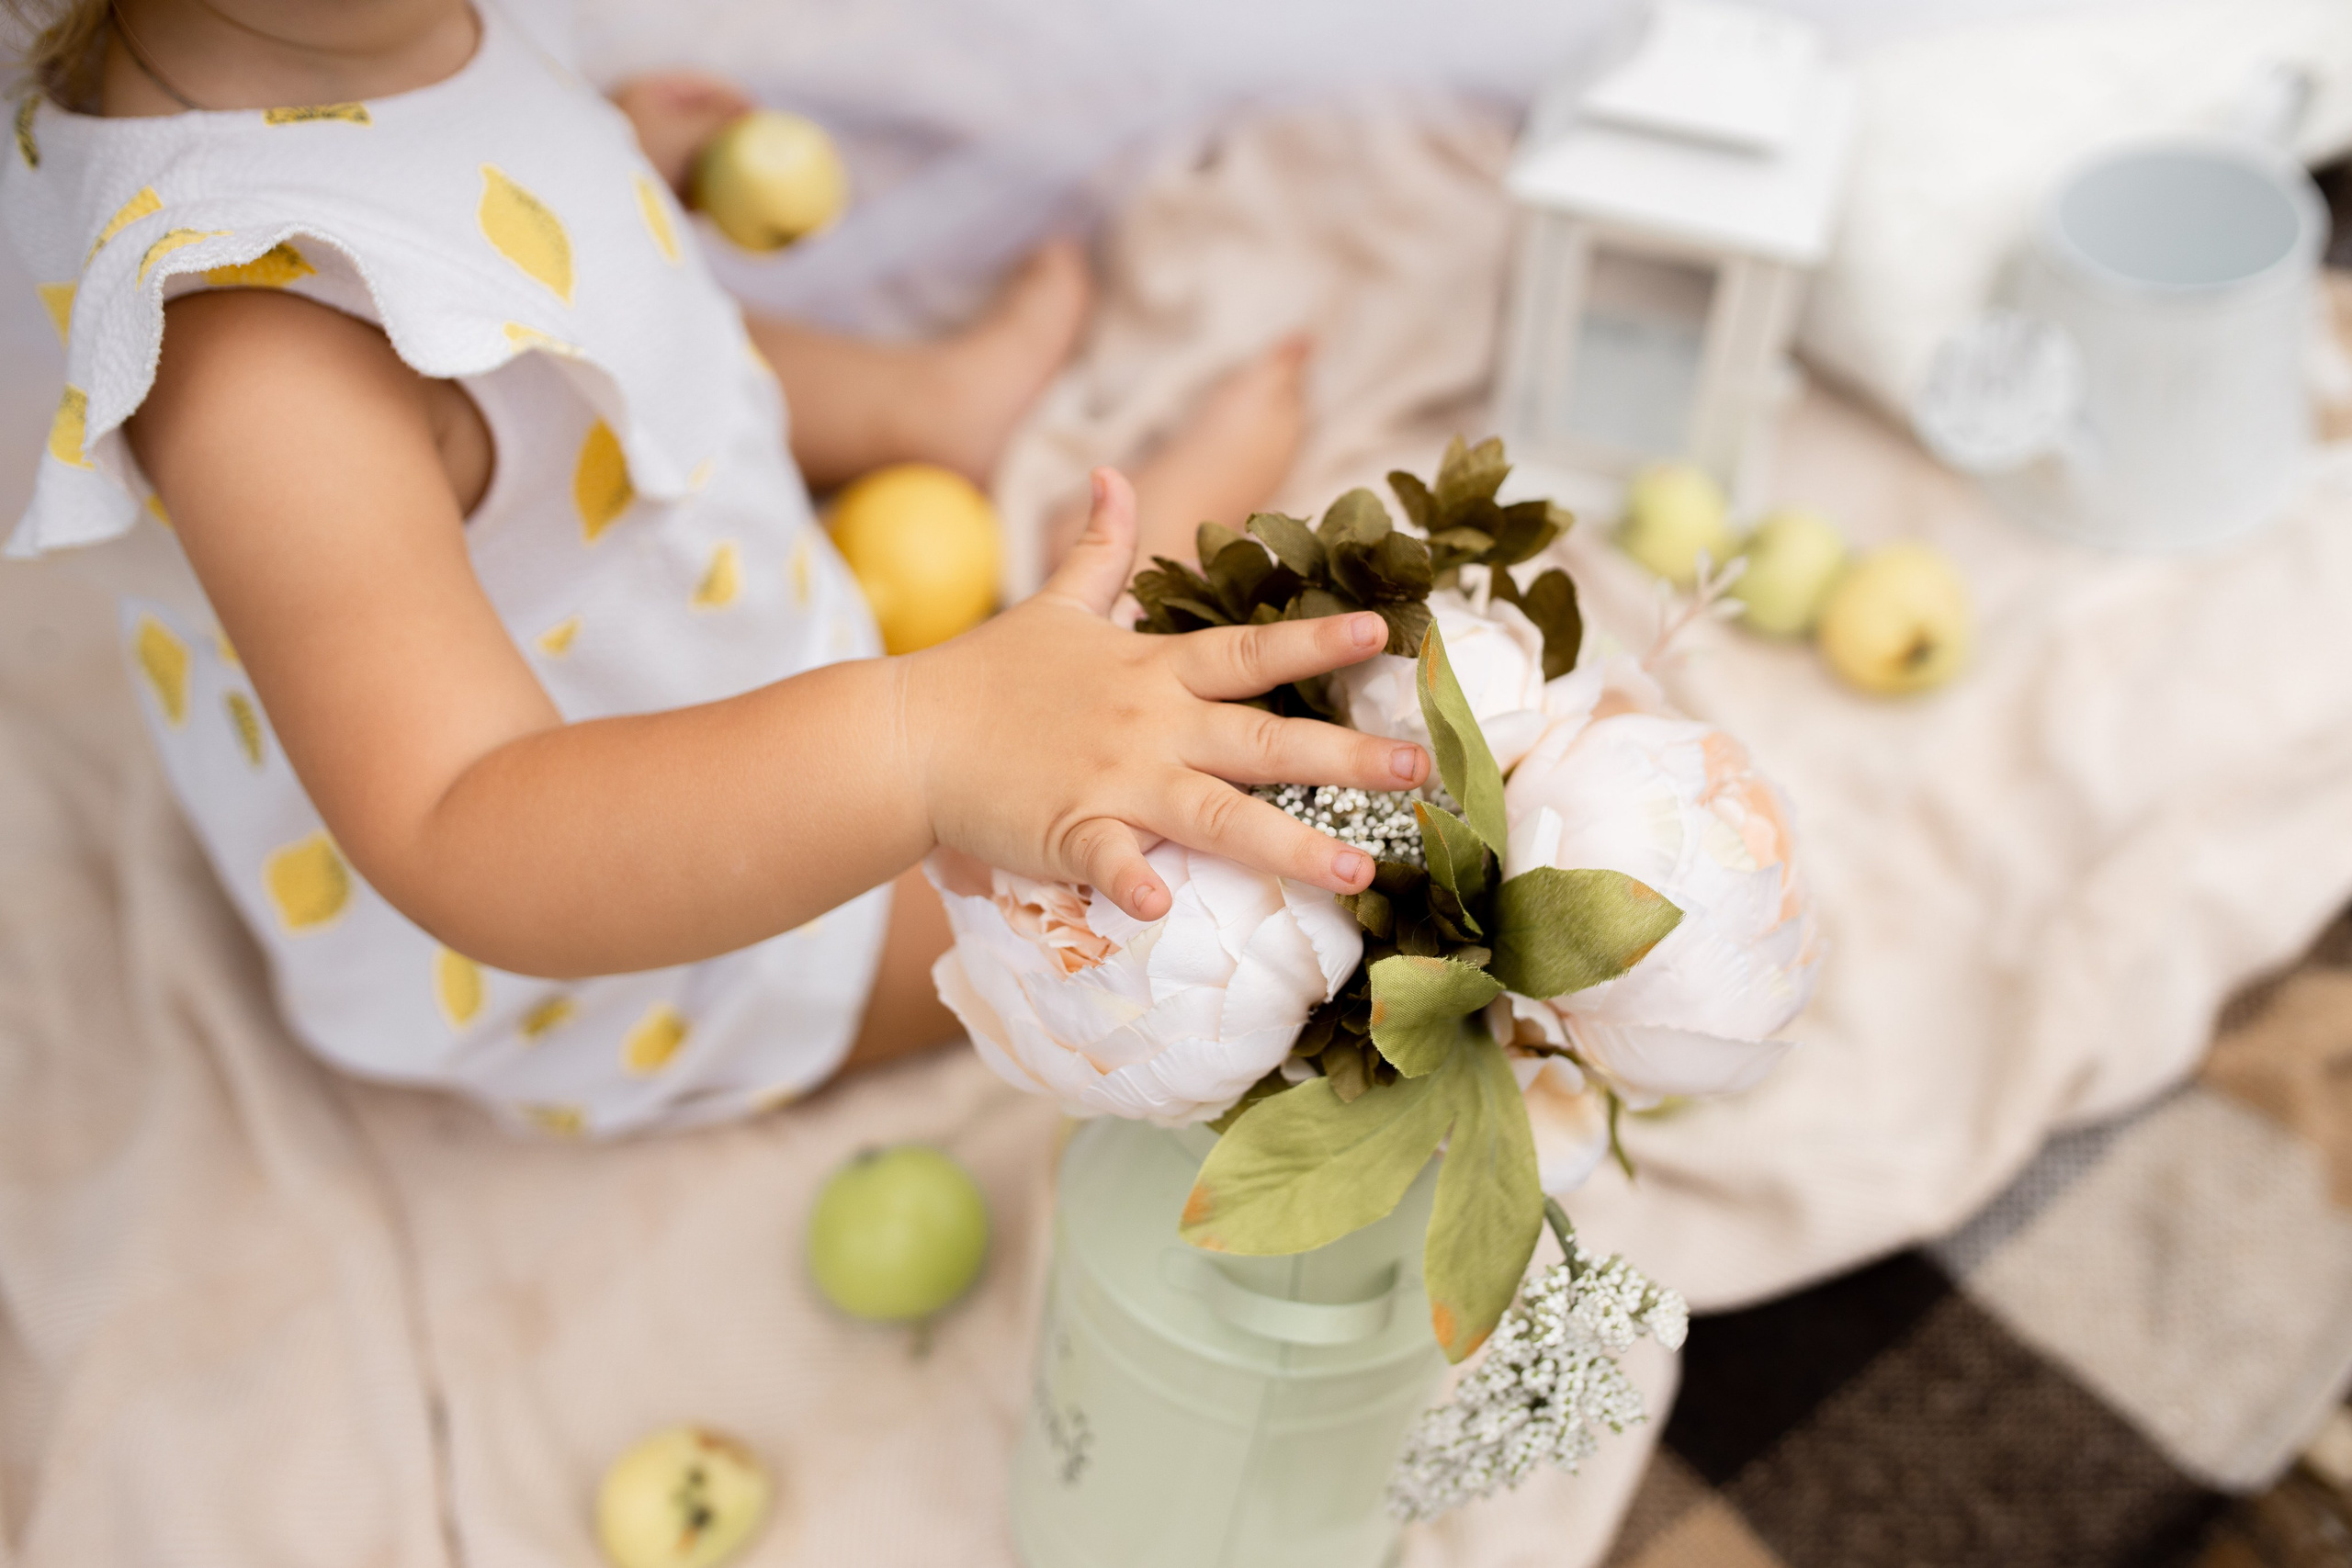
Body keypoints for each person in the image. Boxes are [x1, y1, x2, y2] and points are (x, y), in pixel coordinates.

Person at [0, 0, 1425, 1135]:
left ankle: (928, 415)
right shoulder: (263, 351)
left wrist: (588, 146)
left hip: (688, 600)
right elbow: (462, 824)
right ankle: (1090, 595)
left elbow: (528, 342)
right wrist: (925, 741)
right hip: (625, 903)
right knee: (1128, 901)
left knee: (583, 364)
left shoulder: (353, 27)